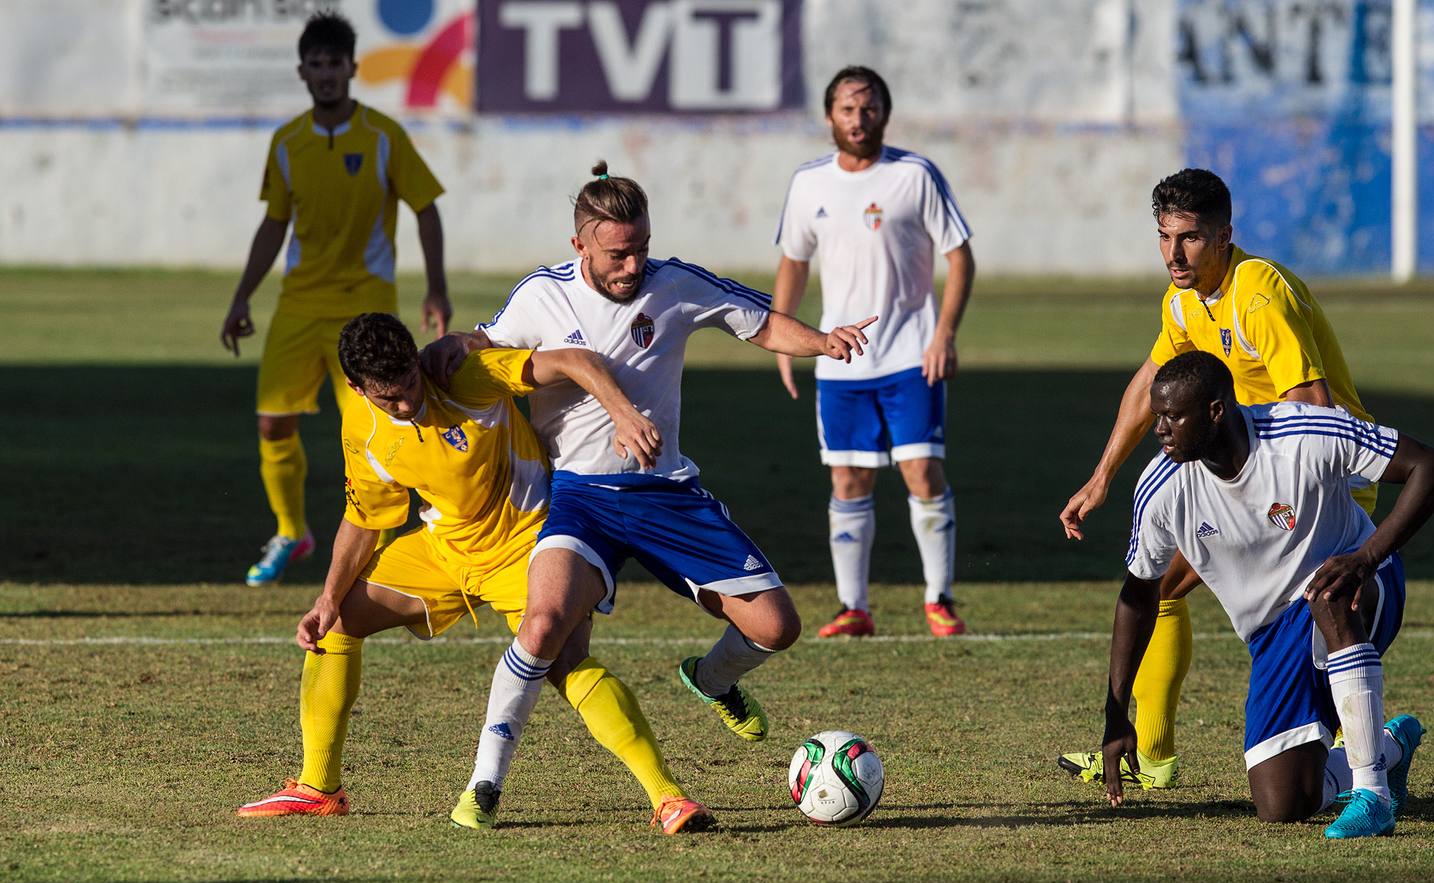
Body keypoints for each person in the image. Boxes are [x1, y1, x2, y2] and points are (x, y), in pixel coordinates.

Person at [420, 162, 876, 811]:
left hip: (666, 494)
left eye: (640, 248)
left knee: (777, 627)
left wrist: (823, 342)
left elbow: (760, 320)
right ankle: (484, 784)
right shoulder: (541, 296)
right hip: (580, 499)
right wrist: (459, 344)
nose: (633, 266)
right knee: (544, 624)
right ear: (580, 244)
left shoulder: (675, 283)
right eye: (616, 254)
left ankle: (713, 680)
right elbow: (490, 343)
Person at [237, 313, 715, 836]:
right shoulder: (362, 425)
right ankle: (319, 788)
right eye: (389, 398)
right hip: (445, 549)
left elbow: (574, 361)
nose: (407, 403)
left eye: (410, 386)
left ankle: (668, 797)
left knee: (565, 663)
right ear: (356, 387)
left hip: (529, 545)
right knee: (336, 624)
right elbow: (364, 516)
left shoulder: (465, 377)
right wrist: (328, 597)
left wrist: (621, 413)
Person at [1057, 168, 1375, 789]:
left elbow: (1315, 410)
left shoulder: (1257, 294)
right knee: (1162, 588)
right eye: (1164, 237)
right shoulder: (1183, 300)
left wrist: (1286, 501)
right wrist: (1101, 479)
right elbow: (1150, 387)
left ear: (1226, 234)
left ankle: (1367, 755)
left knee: (1312, 623)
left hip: (1318, 481)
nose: (1174, 254)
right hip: (1247, 478)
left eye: (1192, 238)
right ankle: (1152, 754)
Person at [1099, 351, 1434, 838]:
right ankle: (1389, 748)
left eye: (1173, 416)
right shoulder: (1161, 489)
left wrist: (1365, 558)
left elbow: (1433, 468)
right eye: (1156, 414)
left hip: (1364, 585)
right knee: (1282, 803)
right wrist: (1115, 714)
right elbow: (1138, 597)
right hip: (1271, 637)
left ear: (1216, 411)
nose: (1159, 429)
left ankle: (1373, 796)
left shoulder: (1305, 434)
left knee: (1327, 594)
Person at [220, 11, 452, 587]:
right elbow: (274, 224)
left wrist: (437, 285)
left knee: (377, 427)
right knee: (272, 423)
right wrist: (242, 295)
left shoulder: (382, 136)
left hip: (364, 306)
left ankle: (397, 537)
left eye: (335, 63)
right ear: (303, 71)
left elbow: (425, 207)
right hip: (298, 305)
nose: (326, 73)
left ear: (353, 68)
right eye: (316, 64)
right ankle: (291, 530)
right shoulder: (287, 141)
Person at [771, 65, 976, 638]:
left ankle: (939, 599)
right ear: (829, 115)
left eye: (868, 108)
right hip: (841, 360)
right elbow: (793, 261)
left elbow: (959, 256)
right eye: (847, 108)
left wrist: (944, 335)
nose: (858, 119)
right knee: (847, 482)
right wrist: (784, 341)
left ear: (884, 113)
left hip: (912, 355)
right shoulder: (809, 183)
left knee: (922, 471)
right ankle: (853, 608)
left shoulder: (914, 175)